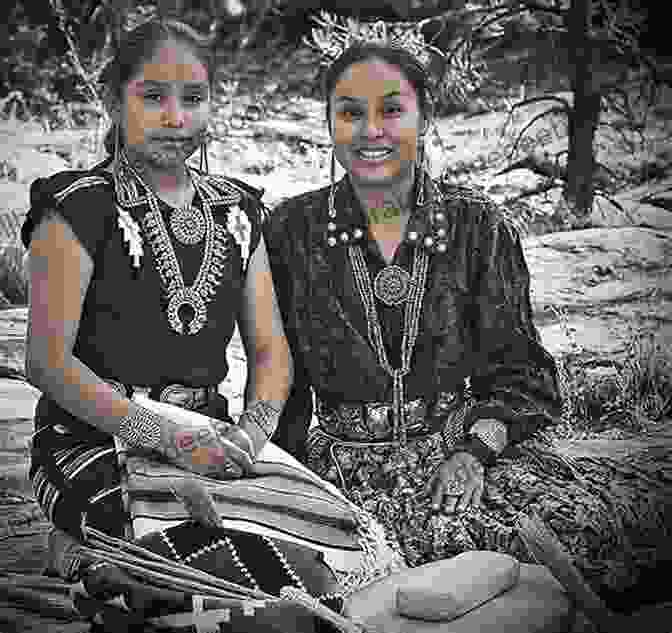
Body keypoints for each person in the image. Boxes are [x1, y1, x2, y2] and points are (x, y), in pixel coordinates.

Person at [21, 17, 350, 631]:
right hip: (89, 442)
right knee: (208, 566)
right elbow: (44, 361)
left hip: (213, 440)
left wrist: (252, 435)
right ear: (115, 100)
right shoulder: (77, 207)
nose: (175, 117)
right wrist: (165, 435)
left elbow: (271, 353)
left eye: (193, 99)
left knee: (337, 553)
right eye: (153, 97)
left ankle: (93, 562)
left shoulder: (237, 212)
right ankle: (85, 559)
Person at [264, 41, 564, 567]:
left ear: (424, 116)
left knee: (565, 546)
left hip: (456, 453)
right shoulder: (291, 231)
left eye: (391, 110)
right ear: (329, 122)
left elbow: (522, 377)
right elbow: (280, 381)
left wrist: (475, 453)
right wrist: (283, 483)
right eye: (350, 112)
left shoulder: (477, 227)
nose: (370, 130)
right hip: (340, 467)